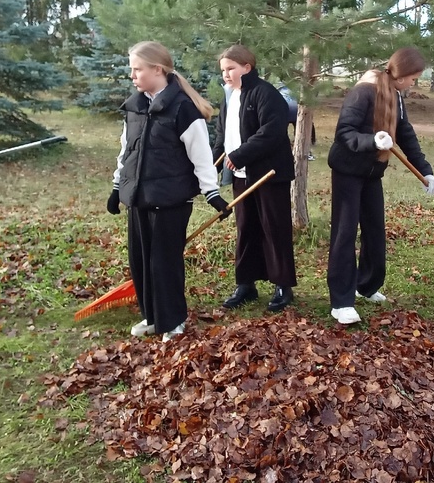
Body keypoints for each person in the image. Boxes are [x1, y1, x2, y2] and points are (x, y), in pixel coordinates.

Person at [107, 41, 230, 341]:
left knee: (164, 262)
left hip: (170, 199)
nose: (132, 75)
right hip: (138, 197)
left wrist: (211, 193)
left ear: (157, 69)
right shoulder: (135, 106)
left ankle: (173, 320)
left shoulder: (182, 108)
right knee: (141, 260)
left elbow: (201, 155)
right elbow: (127, 151)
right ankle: (152, 316)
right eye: (132, 69)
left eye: (137, 69)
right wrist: (116, 185)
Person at [326, 47, 434, 325]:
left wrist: (426, 172)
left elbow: (406, 134)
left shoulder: (396, 96)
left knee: (375, 230)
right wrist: (372, 141)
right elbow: (344, 132)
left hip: (372, 173)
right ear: (400, 76)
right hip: (348, 171)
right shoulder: (364, 91)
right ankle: (341, 302)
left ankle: (367, 285)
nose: (414, 83)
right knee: (345, 231)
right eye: (413, 78)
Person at [212, 45, 297, 312]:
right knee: (246, 228)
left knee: (274, 229)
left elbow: (270, 133)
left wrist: (240, 154)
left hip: (269, 175)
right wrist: (211, 164)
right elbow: (222, 135)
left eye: (231, 69)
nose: (226, 74)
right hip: (241, 175)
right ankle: (246, 284)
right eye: (223, 70)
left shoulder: (265, 93)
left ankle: (283, 285)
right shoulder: (230, 96)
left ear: (247, 68)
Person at [278, 83, 316, 160]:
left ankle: (283, 142)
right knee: (302, 127)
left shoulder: (279, 90)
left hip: (285, 110)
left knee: (282, 130)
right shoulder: (297, 89)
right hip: (297, 111)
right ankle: (310, 141)